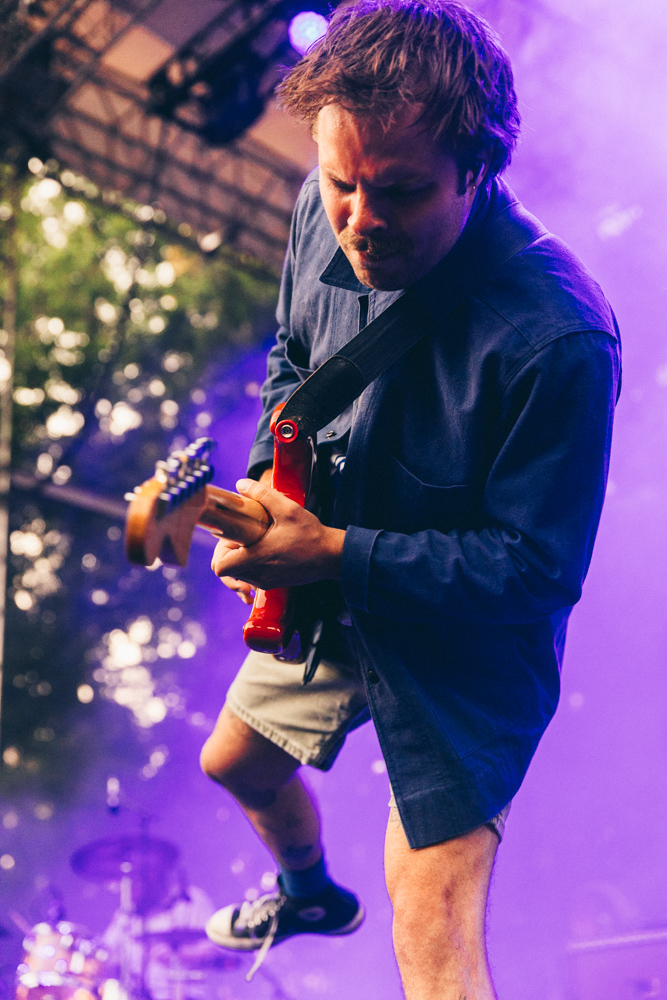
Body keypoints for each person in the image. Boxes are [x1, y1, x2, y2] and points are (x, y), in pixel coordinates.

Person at [200, 1, 621, 996]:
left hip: (464, 647)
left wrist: (333, 552)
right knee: (234, 763)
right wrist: (271, 485)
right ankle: (308, 892)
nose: (357, 221)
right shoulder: (322, 204)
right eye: (340, 182)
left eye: (397, 192)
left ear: (476, 171)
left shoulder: (559, 336)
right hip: (332, 590)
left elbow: (532, 572)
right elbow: (295, 359)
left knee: (428, 922)